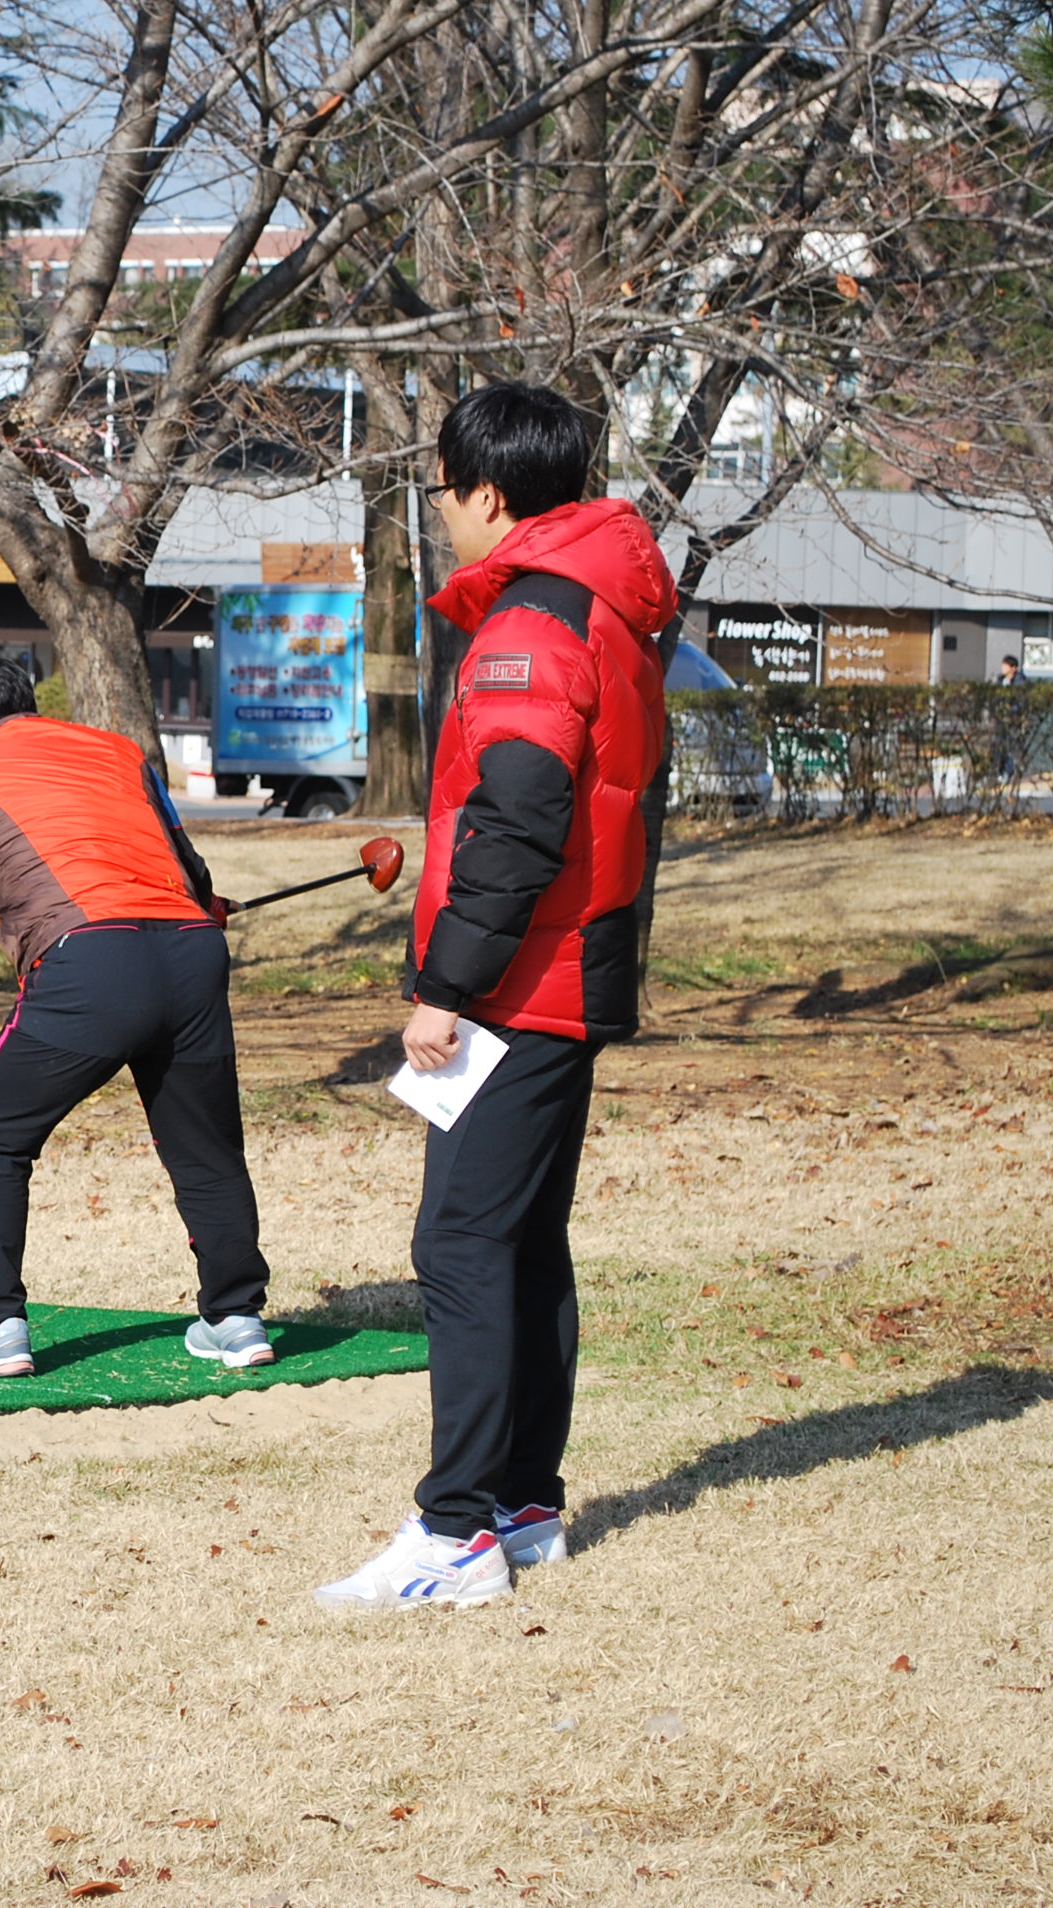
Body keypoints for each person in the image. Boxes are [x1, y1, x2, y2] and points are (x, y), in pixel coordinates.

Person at [315, 382, 677, 1611]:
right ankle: (521, 1507)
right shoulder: (600, 606)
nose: (437, 511)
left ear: (485, 492)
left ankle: (456, 1529)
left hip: (521, 984)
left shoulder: (532, 621)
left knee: (461, 1243)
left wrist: (445, 988)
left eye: (439, 488)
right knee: (520, 1242)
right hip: (565, 972)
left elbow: (518, 823)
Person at [0, 652, 272, 1380]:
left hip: (90, 964)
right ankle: (236, 1318)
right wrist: (198, 906)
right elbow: (191, 873)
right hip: (194, 952)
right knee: (206, 1149)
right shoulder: (122, 753)